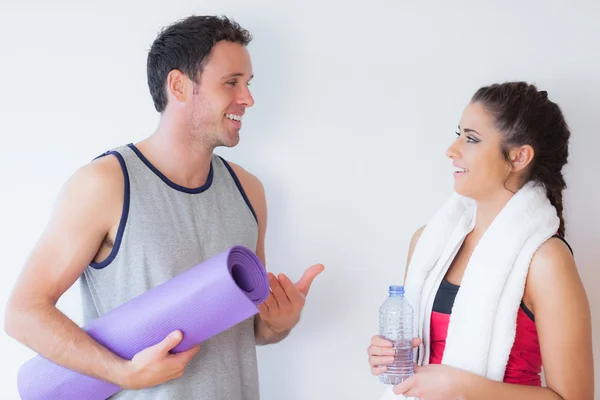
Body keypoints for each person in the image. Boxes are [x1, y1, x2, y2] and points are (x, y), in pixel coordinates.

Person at [4, 15, 324, 399]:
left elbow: (248, 329)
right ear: (179, 85)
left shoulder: (248, 190)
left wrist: (278, 324)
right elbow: (24, 312)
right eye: (231, 83)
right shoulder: (105, 184)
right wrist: (122, 372)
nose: (248, 98)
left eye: (248, 84)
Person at [367, 82, 594, 399]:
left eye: (471, 138)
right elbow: (418, 360)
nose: (452, 149)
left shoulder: (546, 260)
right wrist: (389, 357)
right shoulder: (426, 243)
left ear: (518, 157)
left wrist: (463, 388)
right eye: (458, 133)